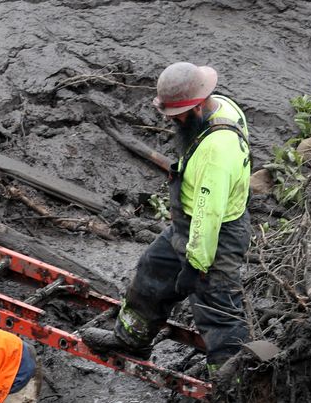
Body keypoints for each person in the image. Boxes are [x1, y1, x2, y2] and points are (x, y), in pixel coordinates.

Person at [83, 61, 251, 373]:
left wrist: (195, 265)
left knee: (218, 312)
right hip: (189, 225)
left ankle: (230, 392)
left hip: (217, 235)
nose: (174, 123)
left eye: (178, 117)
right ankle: (131, 338)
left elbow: (208, 213)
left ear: (198, 108)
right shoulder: (223, 106)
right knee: (152, 269)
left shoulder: (217, 150)